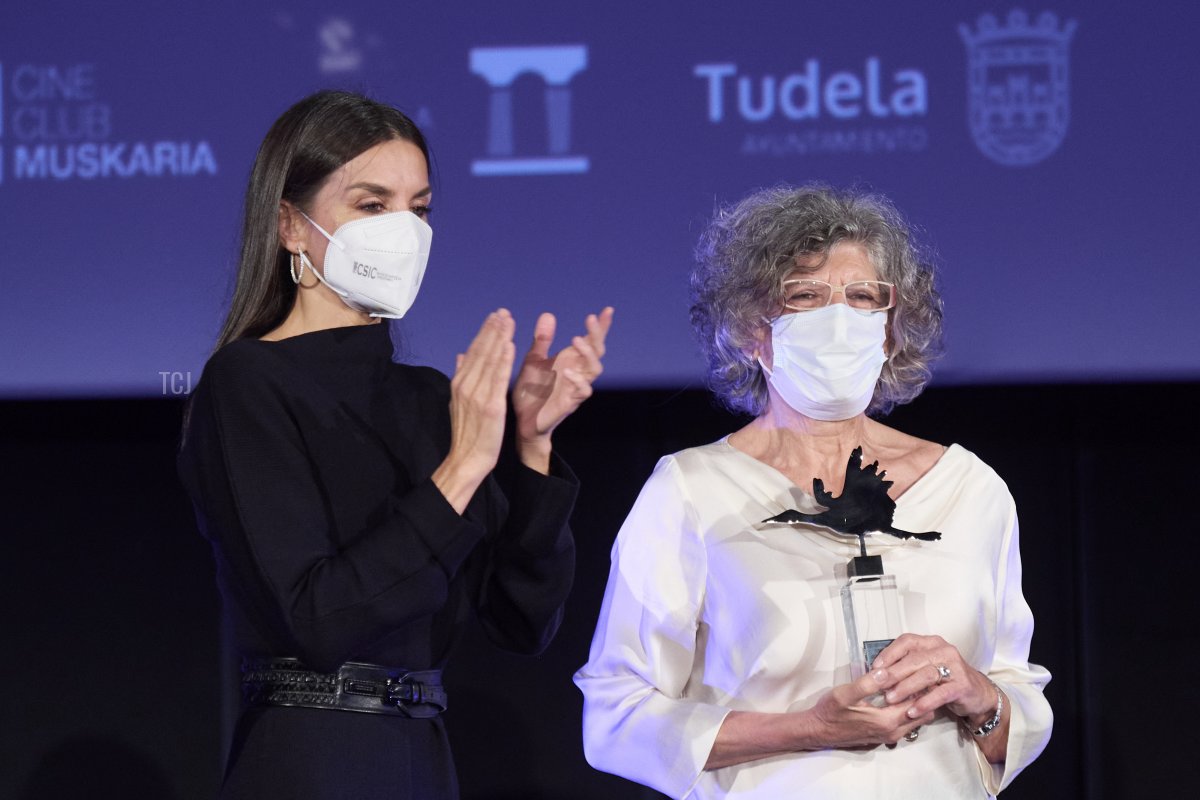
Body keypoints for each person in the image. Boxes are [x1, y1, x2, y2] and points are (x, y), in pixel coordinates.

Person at [177, 90, 613, 799]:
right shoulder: (247, 382)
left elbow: (522, 622)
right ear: (292, 225)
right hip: (314, 754)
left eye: (419, 207)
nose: (403, 229)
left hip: (422, 753)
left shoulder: (429, 399)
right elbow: (320, 618)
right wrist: (463, 468)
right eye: (372, 205)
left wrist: (529, 448)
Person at [574, 185, 1051, 799]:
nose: (839, 321)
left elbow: (1018, 710)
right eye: (804, 297)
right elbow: (616, 719)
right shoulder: (692, 491)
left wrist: (978, 694)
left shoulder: (970, 490)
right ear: (752, 330)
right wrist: (809, 729)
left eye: (861, 298)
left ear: (889, 329)